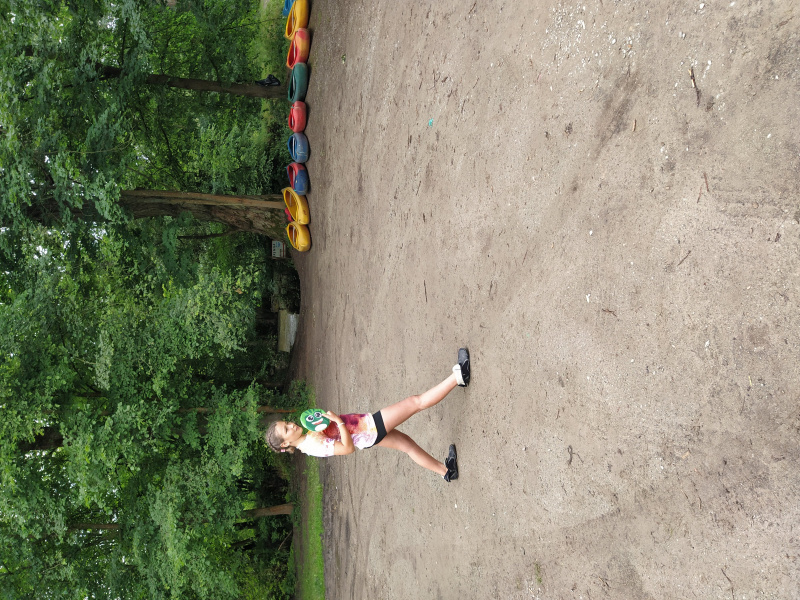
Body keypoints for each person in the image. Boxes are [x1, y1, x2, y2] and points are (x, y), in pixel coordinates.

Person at [265, 348, 471, 482]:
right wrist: (338, 422)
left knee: (408, 446)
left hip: (367, 431)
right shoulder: (312, 445)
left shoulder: (308, 435)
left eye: (287, 423)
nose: (291, 425)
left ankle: (447, 472)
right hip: (369, 429)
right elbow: (347, 449)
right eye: (287, 429)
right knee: (414, 403)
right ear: (285, 443)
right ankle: (458, 376)